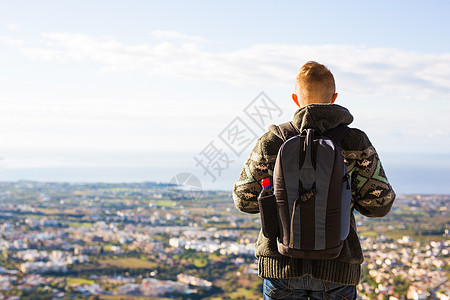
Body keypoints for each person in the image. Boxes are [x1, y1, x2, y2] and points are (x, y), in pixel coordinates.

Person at [232, 61, 396, 299]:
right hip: (338, 266)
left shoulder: (273, 140)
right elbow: (380, 205)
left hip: (280, 266)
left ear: (295, 99)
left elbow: (244, 201)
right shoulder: (355, 142)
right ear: (334, 97)